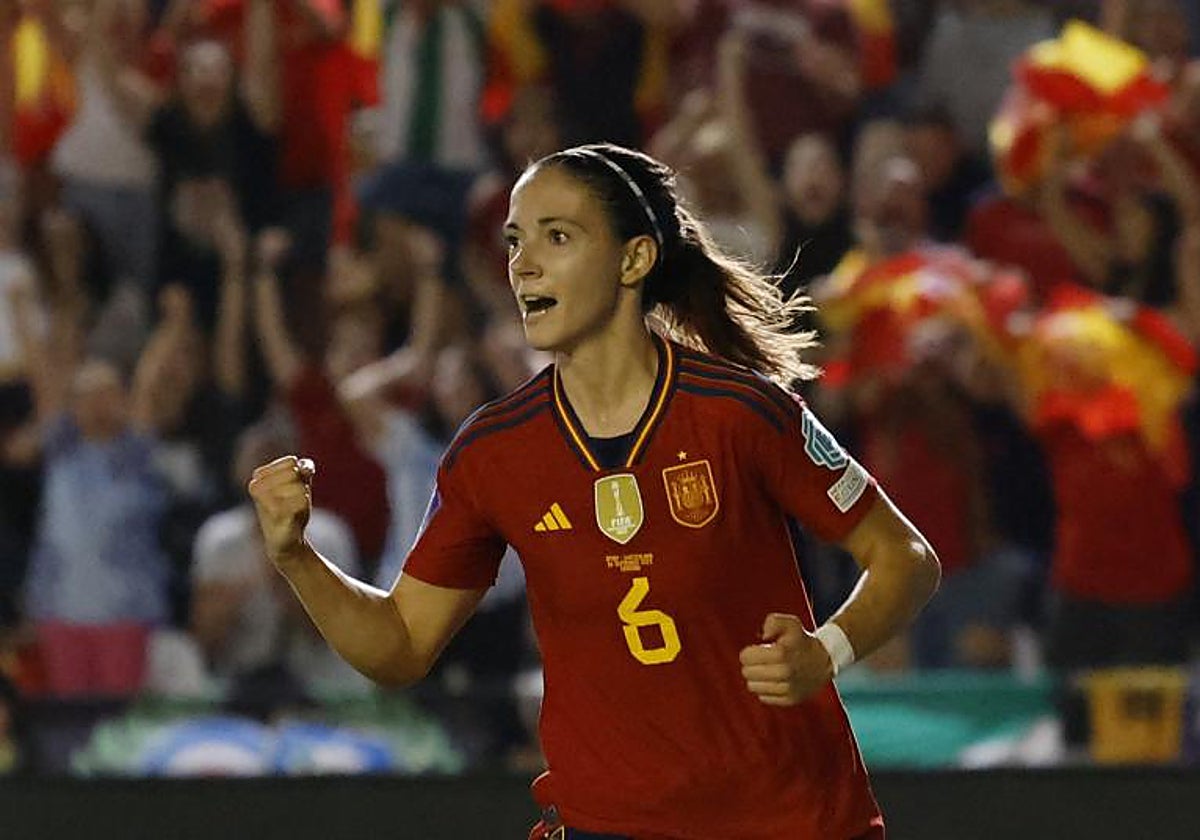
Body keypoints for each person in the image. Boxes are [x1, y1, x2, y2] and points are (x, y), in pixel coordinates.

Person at [249, 143, 940, 839]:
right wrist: (297, 558)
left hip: (791, 822)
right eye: (515, 240)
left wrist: (827, 652)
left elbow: (906, 555)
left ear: (634, 260)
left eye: (558, 236)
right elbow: (400, 644)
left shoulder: (739, 413)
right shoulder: (493, 452)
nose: (523, 263)